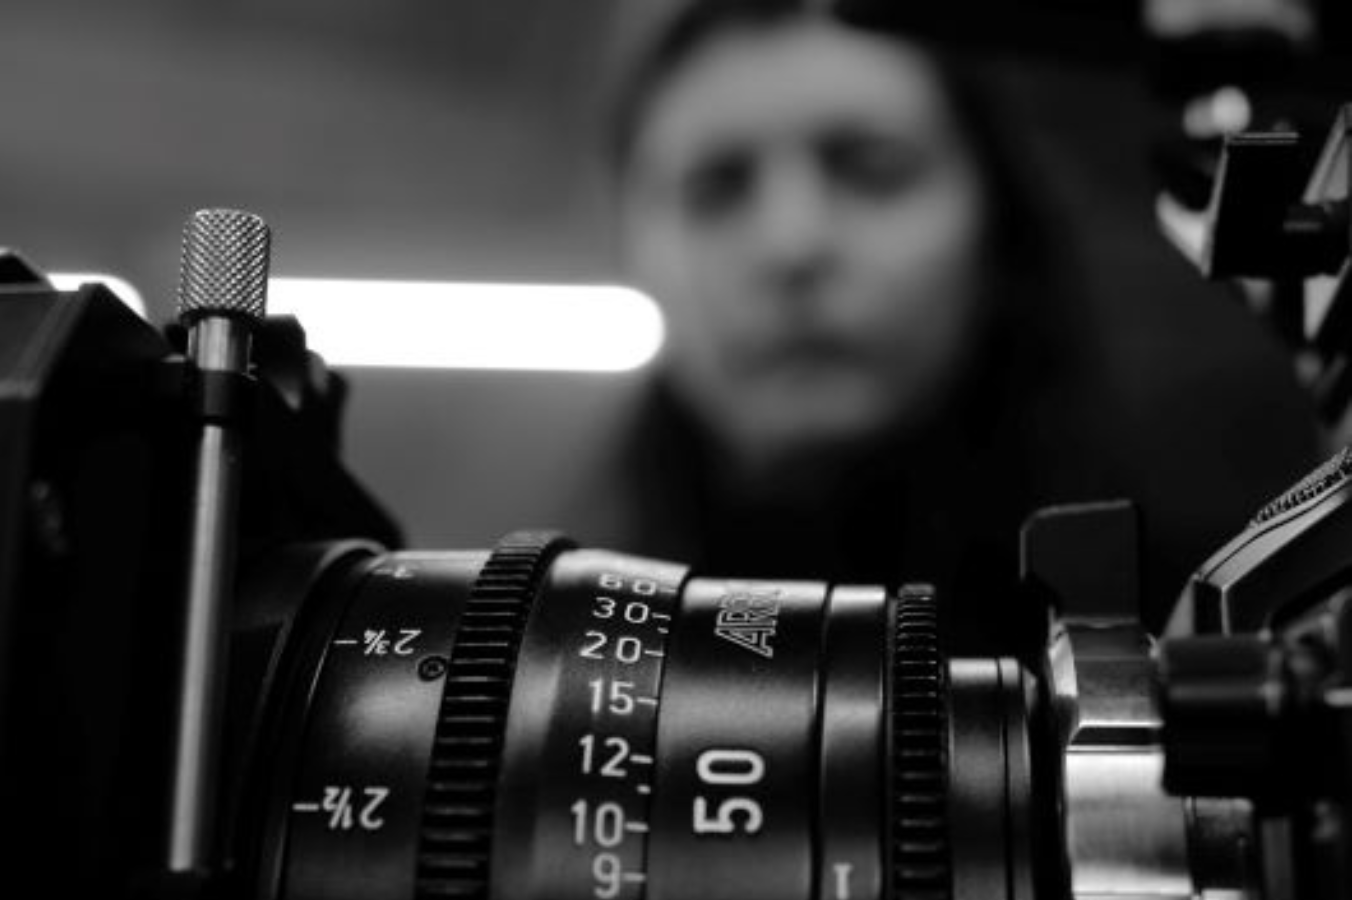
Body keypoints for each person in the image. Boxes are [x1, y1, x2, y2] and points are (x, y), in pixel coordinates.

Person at [565, 0, 1319, 652]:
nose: (792, 243)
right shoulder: (539, 667)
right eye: (716, 188)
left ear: (997, 221)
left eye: (873, 168)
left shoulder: (1230, 628)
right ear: (626, 245)